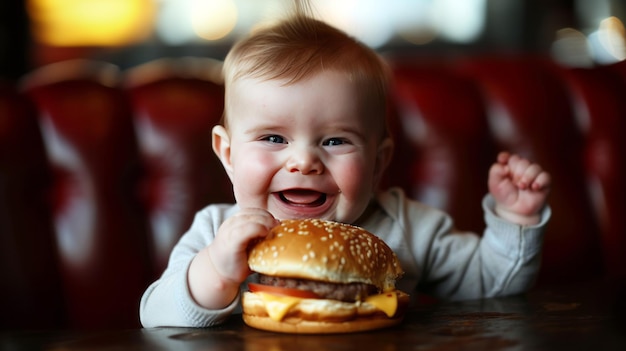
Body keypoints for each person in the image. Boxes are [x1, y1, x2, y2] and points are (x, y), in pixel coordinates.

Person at [139, 8, 551, 328]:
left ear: (378, 162)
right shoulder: (216, 231)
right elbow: (154, 316)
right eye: (273, 138)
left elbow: (490, 286)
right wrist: (215, 270)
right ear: (228, 154)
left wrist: (515, 218)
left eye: (335, 141)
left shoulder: (407, 225)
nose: (303, 161)